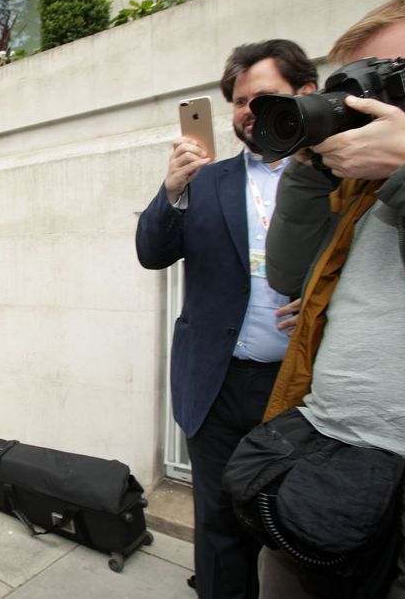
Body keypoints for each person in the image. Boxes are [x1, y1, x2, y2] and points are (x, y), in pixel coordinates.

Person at [135, 39, 318, 599]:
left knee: (298, 525)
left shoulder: (337, 174)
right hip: (216, 384)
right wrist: (171, 192)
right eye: (238, 101)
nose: (247, 112)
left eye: (262, 98)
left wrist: (319, 298)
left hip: (300, 389)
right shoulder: (206, 180)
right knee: (218, 528)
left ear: (305, 95)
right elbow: (150, 250)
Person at [260, 0, 405, 598]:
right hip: (328, 448)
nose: (364, 104)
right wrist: (309, 166)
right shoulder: (357, 190)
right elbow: (287, 274)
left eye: (389, 80)